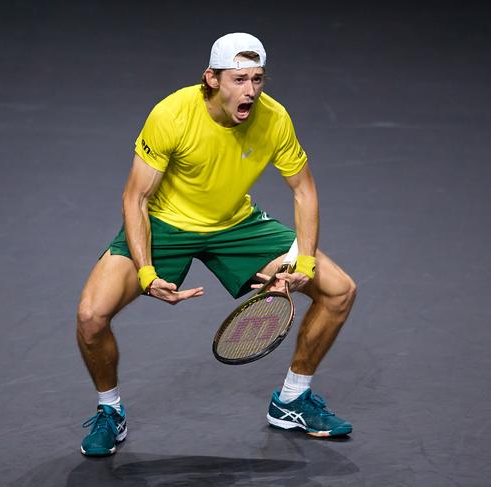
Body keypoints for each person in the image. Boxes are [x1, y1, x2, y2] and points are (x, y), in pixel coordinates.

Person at [77, 32, 357, 456]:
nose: (251, 91)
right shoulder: (172, 115)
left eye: (258, 79)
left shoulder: (274, 118)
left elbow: (305, 192)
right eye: (240, 79)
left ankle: (293, 399)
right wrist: (147, 272)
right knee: (91, 316)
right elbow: (135, 197)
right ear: (212, 78)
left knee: (339, 290)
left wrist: (305, 264)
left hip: (235, 225)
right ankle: (109, 412)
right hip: (167, 224)